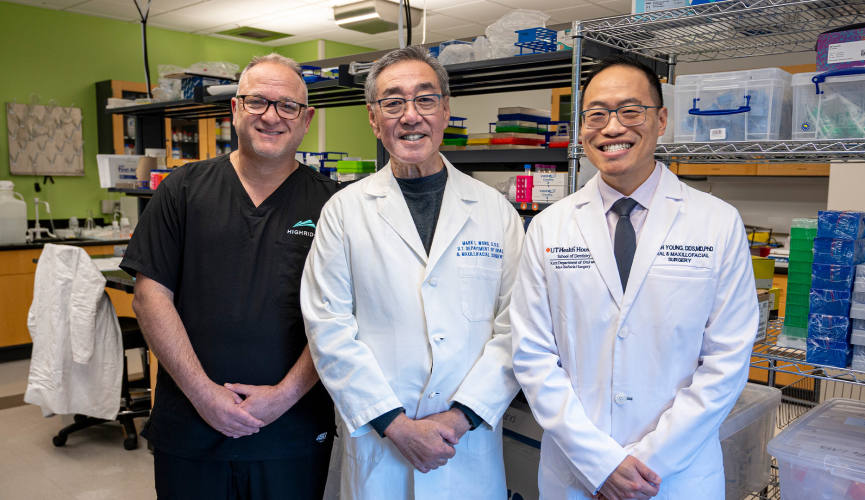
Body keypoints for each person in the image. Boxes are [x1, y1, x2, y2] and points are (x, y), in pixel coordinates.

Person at [510, 54, 758, 500]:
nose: (611, 128)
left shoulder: (717, 222)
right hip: (576, 473)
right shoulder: (549, 226)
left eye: (630, 111)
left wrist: (649, 463)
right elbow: (532, 355)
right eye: (597, 114)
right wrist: (601, 463)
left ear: (661, 119)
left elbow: (728, 360)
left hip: (675, 476)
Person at [301, 45, 523, 499]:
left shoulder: (495, 211)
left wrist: (461, 416)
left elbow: (518, 327)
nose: (410, 116)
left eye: (425, 99)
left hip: (466, 443)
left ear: (445, 110)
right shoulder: (343, 212)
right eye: (393, 101)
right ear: (373, 117)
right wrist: (394, 424)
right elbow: (328, 327)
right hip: (382, 444)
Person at [121, 53, 337, 500]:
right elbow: (149, 297)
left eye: (287, 105)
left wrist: (282, 396)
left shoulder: (334, 206)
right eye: (257, 101)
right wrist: (204, 395)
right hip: (192, 427)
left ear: (306, 118)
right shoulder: (181, 190)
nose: (271, 116)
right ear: (236, 109)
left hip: (291, 429)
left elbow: (343, 316)